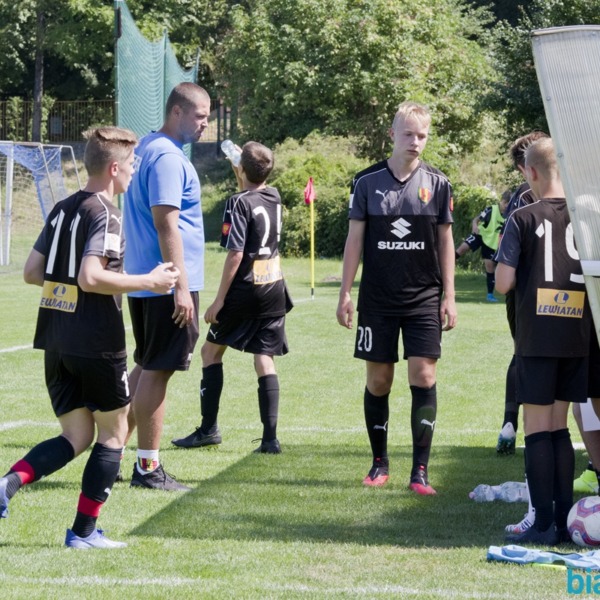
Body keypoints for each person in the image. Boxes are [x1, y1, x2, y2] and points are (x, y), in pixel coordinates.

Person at [0, 127, 179, 548]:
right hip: (96, 342)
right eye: (131, 164)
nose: (134, 171)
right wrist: (149, 280)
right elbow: (90, 276)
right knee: (114, 435)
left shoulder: (62, 209)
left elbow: (32, 272)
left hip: (55, 338)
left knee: (76, 436)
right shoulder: (107, 214)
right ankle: (83, 533)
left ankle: (8, 483)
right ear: (114, 168)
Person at [336, 101, 457, 495]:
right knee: (379, 381)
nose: (415, 142)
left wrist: (450, 295)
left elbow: (446, 242)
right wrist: (345, 292)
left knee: (424, 375)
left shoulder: (438, 183)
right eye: (408, 134)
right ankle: (379, 462)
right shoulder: (366, 182)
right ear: (392, 134)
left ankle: (420, 471)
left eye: (422, 135)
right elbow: (354, 240)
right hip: (377, 300)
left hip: (424, 298)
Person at [495, 136, 592, 545]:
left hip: (537, 336)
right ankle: (565, 522)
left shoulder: (522, 216)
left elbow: (503, 282)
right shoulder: (587, 215)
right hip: (577, 334)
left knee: (537, 428)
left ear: (530, 172)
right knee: (560, 427)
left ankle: (542, 524)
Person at [172, 141, 291, 453]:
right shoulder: (274, 196)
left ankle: (208, 429)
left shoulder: (236, 203)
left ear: (241, 167)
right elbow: (252, 194)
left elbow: (236, 253)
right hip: (273, 287)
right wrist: (242, 172)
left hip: (244, 293)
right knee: (264, 357)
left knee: (210, 353)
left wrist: (219, 300)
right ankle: (270, 439)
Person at [122, 82, 211, 490]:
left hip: (148, 280)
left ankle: (111, 450)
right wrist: (180, 286)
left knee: (147, 365)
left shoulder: (146, 147)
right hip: (165, 283)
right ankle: (147, 468)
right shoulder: (168, 157)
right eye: (199, 116)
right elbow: (166, 224)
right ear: (176, 111)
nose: (205, 124)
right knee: (157, 370)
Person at [495, 130, 550, 456]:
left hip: (524, 290)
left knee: (523, 354)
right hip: (541, 289)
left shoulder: (519, 197)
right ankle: (539, 427)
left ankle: (510, 423)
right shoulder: (535, 195)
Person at [455, 192, 508, 302]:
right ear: (501, 201)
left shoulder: (510, 214)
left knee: (489, 266)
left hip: (492, 242)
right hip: (480, 235)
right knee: (462, 249)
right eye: (504, 202)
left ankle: (490, 295)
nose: (506, 205)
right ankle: (443, 267)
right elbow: (476, 219)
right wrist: (475, 226)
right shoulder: (491, 209)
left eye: (508, 203)